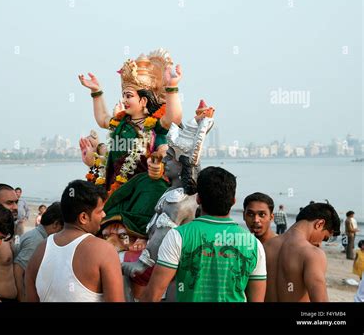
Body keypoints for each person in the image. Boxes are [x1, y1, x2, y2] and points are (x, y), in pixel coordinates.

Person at [121, 103, 215, 298]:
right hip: (167, 263)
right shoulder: (176, 192)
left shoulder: (178, 201)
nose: (164, 161)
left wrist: (140, 265)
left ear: (181, 167)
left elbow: (162, 236)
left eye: (169, 158)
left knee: (117, 265)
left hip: (168, 268)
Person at [141, 166, 267, 302]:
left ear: (198, 199)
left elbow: (153, 295)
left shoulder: (178, 236)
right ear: (233, 201)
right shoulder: (253, 244)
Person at [78, 48, 183, 193]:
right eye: (124, 96)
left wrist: (172, 87)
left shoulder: (153, 126)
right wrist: (96, 91)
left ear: (144, 100)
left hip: (143, 188)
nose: (124, 100)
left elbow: (173, 119)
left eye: (129, 96)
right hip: (114, 186)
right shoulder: (120, 123)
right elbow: (102, 119)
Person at [25, 180, 124, 302]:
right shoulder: (104, 251)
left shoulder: (40, 249)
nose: (104, 215)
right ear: (83, 217)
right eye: (99, 211)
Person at [264, 202, 340, 302]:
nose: (320, 244)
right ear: (319, 224)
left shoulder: (264, 246)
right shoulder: (312, 254)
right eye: (324, 238)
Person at [13, 202, 63, 301]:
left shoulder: (37, 235)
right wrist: (22, 299)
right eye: (63, 228)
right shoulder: (36, 241)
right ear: (56, 224)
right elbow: (18, 270)